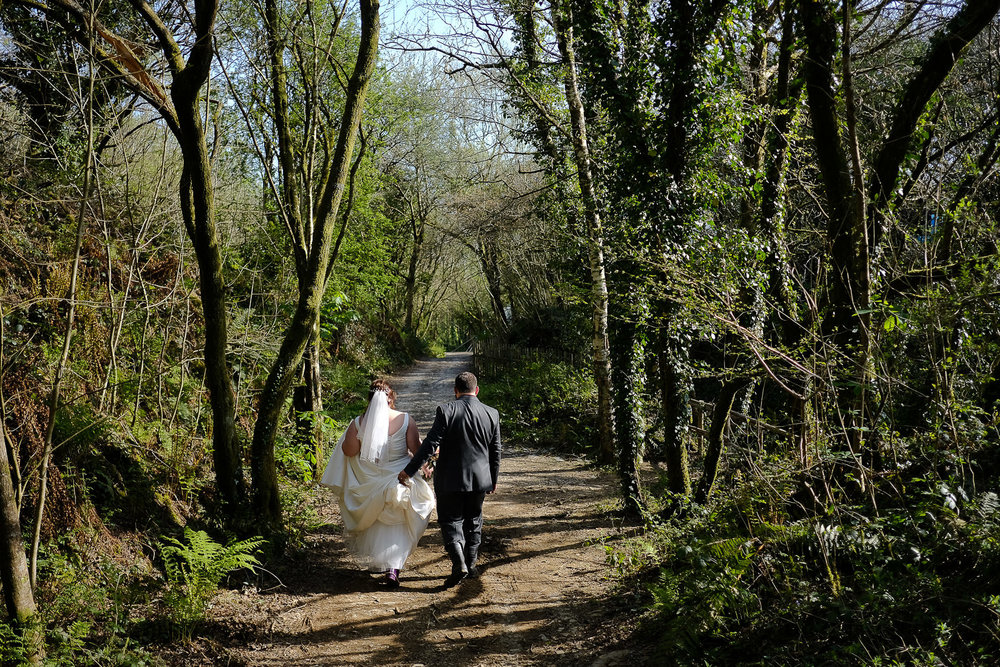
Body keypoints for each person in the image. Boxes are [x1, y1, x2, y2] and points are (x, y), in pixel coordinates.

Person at [321, 379, 435, 588]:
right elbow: (417, 449)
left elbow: (349, 451)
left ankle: (384, 564)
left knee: (377, 521)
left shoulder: (358, 423)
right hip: (399, 476)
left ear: (369, 399)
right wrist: (428, 460)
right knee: (399, 522)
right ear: (391, 398)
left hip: (370, 480)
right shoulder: (405, 420)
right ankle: (393, 568)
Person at [397, 371, 501, 587]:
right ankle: (470, 565)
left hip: (450, 479)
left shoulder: (446, 410)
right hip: (480, 479)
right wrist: (493, 477)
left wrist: (409, 470)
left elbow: (430, 444)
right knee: (474, 520)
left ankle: (459, 564)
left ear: (455, 391)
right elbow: (496, 449)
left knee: (450, 521)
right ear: (477, 390)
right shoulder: (492, 413)